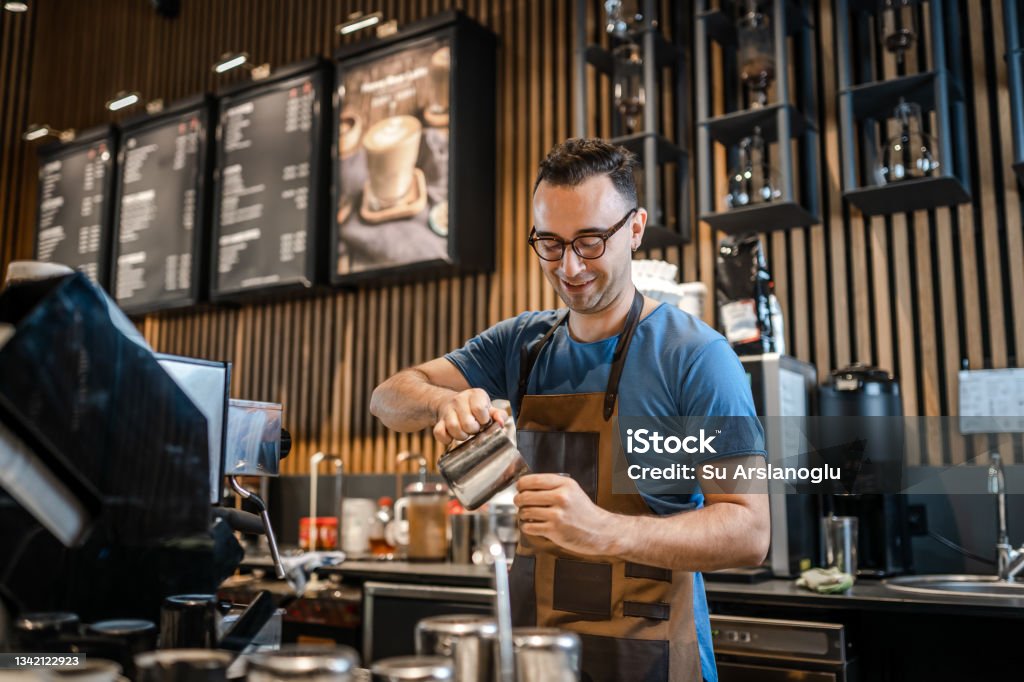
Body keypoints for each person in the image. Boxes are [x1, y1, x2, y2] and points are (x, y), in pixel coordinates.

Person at [371, 138, 770, 682]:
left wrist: (606, 531)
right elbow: (389, 398)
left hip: (650, 659)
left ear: (634, 229)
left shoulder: (696, 357)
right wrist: (445, 400)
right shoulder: (520, 343)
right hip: (537, 661)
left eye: (589, 240)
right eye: (550, 244)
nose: (570, 266)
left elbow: (749, 533)